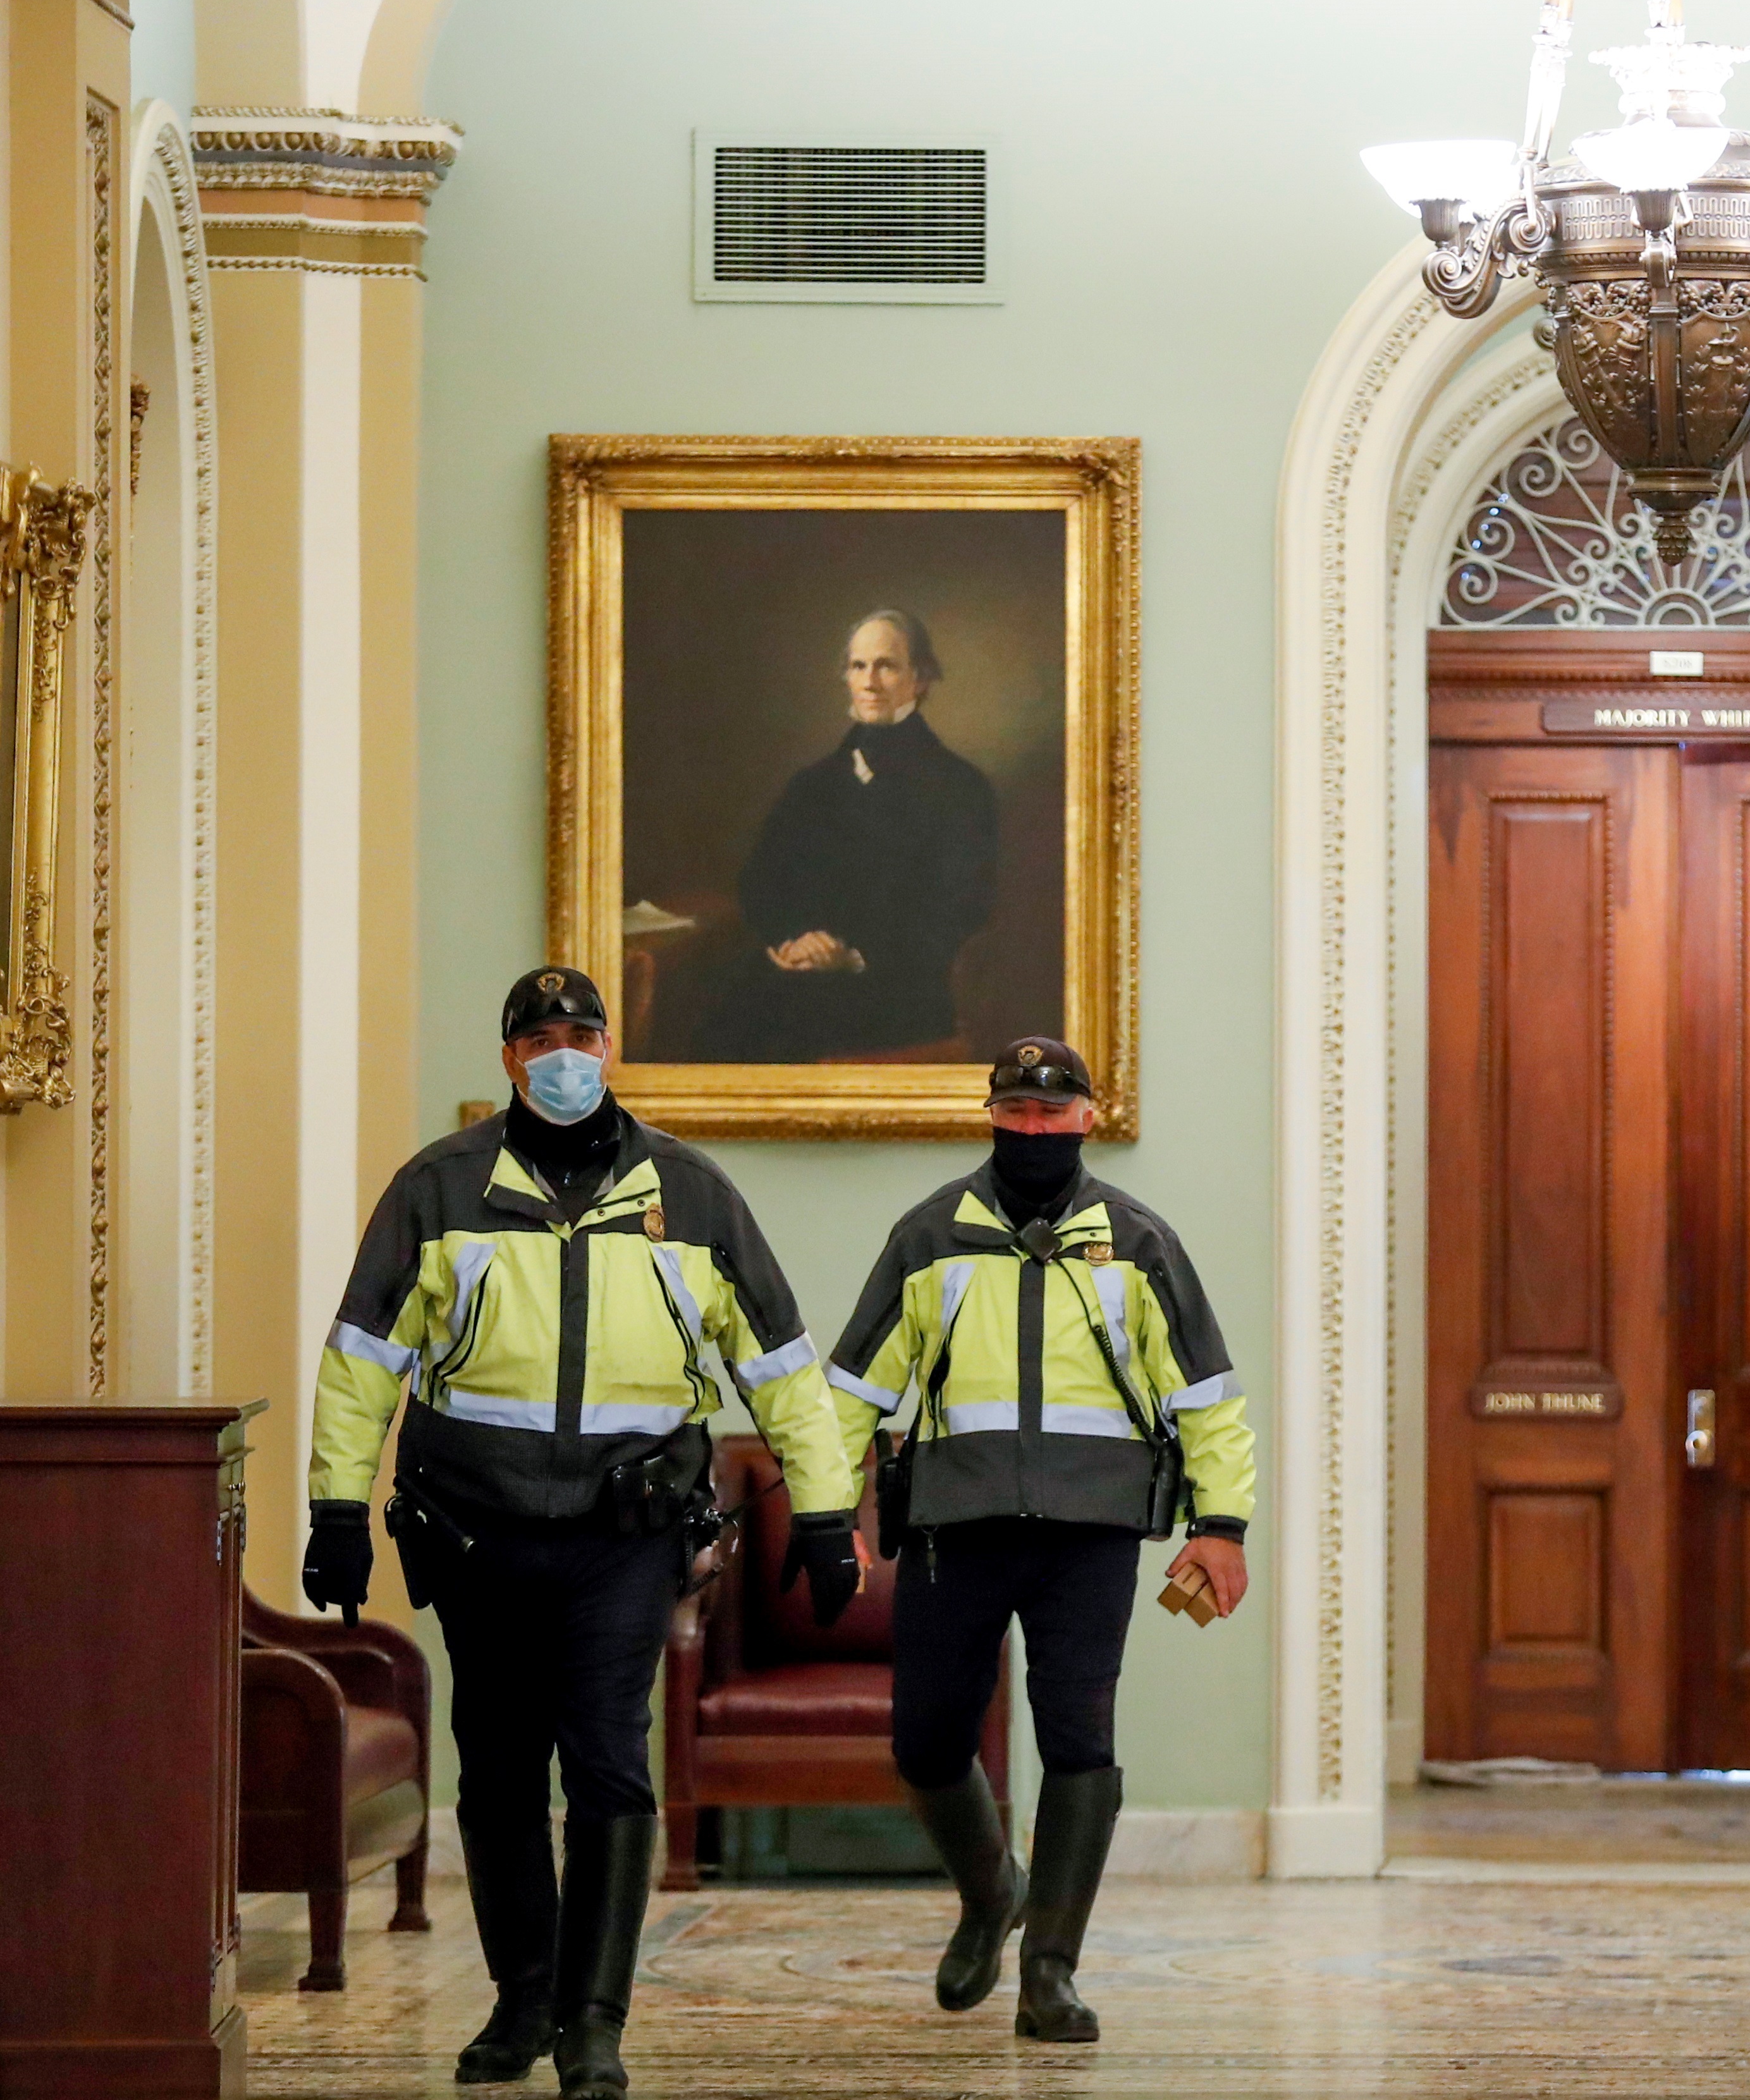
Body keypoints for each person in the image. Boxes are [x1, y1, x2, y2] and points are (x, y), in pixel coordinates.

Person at [300, 967, 865, 2100]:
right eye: (542, 1035)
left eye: (584, 1034)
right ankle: (522, 2001)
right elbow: (363, 1363)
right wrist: (334, 1509)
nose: (565, 1052)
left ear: (613, 1051)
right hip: (476, 1527)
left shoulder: (693, 1193)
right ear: (509, 1056)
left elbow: (783, 1366)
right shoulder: (439, 1185)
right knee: (501, 1767)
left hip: (627, 1532)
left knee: (608, 1757)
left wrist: (827, 1509)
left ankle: (594, 2023)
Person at [826, 1035, 1254, 2044]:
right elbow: (851, 1394)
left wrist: (1221, 1523)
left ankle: (1050, 1970)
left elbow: (1207, 1401)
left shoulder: (1140, 1242)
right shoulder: (930, 1235)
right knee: (926, 1740)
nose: (1032, 1130)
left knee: (1078, 1738)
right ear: (990, 1114)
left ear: (1086, 1119)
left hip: (1089, 1533)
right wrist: (827, 1512)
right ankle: (990, 1891)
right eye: (1015, 1113)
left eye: (1050, 1115)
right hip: (951, 1525)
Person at [688, 607, 999, 1061]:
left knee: (779, 1025)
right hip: (796, 972)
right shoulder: (811, 785)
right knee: (721, 1012)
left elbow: (961, 911)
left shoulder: (962, 789)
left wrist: (852, 955)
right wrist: (792, 938)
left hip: (898, 991)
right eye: (859, 666)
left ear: (921, 679)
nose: (870, 681)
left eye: (887, 666)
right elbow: (760, 883)